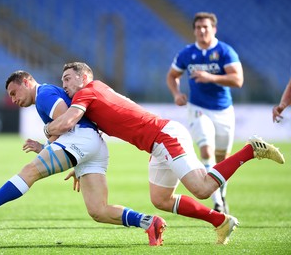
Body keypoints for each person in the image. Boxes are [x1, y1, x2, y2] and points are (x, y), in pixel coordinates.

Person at [45, 62, 285, 245]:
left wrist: (46, 129)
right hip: (156, 144)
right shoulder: (93, 95)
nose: (64, 84)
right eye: (62, 81)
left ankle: (251, 149)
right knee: (161, 199)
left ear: (84, 76)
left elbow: (67, 123)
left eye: (67, 78)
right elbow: (88, 137)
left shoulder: (87, 91)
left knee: (201, 188)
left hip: (165, 136)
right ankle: (221, 221)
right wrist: (78, 164)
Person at [0, 70, 167, 246]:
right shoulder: (45, 96)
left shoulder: (44, 94)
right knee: (98, 211)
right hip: (93, 146)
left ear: (27, 82)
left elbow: (67, 119)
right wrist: (58, 152)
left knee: (30, 171)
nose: (13, 99)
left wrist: (65, 150)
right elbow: (67, 124)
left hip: (81, 139)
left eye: (14, 93)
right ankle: (149, 222)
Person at [166, 12, 244, 214]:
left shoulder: (225, 51)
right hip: (198, 109)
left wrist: (210, 77)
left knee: (221, 158)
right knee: (206, 151)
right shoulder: (187, 53)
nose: (201, 31)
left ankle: (222, 195)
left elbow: (238, 80)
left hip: (223, 111)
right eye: (198, 27)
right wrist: (176, 93)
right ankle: (217, 202)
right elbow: (172, 75)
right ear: (194, 30)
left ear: (214, 29)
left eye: (206, 27)